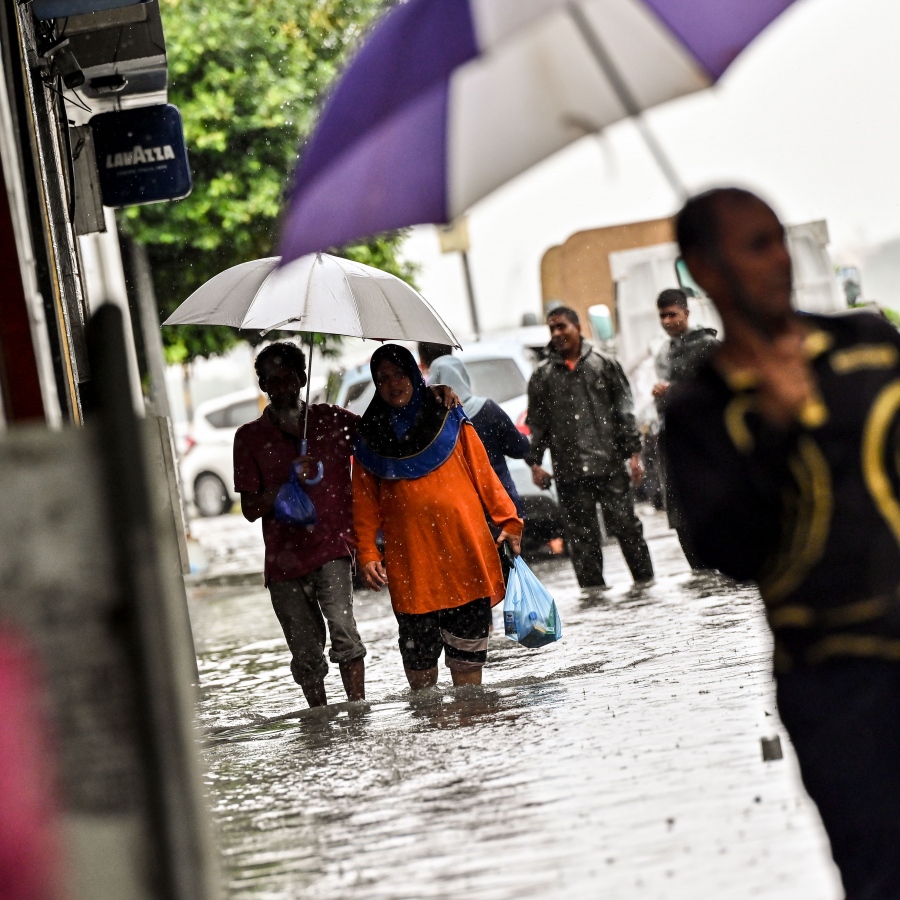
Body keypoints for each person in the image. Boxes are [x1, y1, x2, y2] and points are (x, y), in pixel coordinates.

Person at [664, 187, 900, 898]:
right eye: (755, 245)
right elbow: (729, 551)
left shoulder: (867, 345)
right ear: (704, 268)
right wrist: (773, 428)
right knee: (879, 869)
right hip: (834, 680)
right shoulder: (701, 411)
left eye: (778, 239)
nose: (778, 261)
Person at [234, 342, 458, 708]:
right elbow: (248, 508)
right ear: (263, 386)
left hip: (332, 548)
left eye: (289, 378)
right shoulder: (249, 438)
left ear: (303, 378)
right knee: (305, 654)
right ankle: (319, 717)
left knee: (344, 632)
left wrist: (430, 394)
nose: (281, 387)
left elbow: (386, 427)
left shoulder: (332, 420)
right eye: (271, 381)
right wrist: (284, 485)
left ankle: (358, 711)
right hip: (282, 562)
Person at [352, 344, 523, 690]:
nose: (393, 384)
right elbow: (364, 502)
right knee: (422, 686)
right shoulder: (370, 436)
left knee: (469, 683)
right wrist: (368, 552)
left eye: (400, 374)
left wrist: (510, 522)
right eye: (382, 378)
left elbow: (483, 474)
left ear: (415, 374)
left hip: (464, 556)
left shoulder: (449, 413)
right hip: (412, 566)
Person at [526, 307, 654, 589]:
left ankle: (646, 585)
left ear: (577, 327)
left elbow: (625, 412)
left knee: (627, 528)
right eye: (552, 329)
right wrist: (535, 463)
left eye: (562, 327)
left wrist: (634, 455)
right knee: (581, 539)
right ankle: (594, 595)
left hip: (609, 465)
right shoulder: (543, 376)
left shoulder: (604, 364)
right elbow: (538, 424)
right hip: (569, 471)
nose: (557, 334)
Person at [418, 343, 530, 519]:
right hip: (502, 509)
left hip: (462, 517)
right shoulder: (487, 409)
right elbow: (520, 448)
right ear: (462, 375)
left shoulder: (428, 423)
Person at [651, 288, 719, 567]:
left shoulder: (707, 345)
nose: (667, 321)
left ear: (686, 313)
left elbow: (717, 391)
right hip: (675, 442)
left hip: (708, 442)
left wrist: (676, 391)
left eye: (672, 314)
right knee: (681, 513)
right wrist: (661, 396)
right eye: (662, 316)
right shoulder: (663, 353)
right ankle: (700, 573)